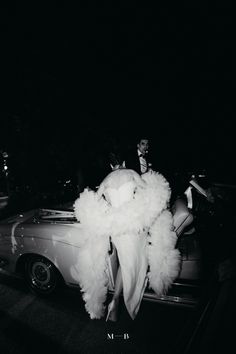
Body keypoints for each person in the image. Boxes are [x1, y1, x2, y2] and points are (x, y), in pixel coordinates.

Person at [73, 164, 180, 321]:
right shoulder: (131, 173)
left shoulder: (105, 180)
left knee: (125, 264)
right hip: (135, 227)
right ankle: (122, 300)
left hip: (118, 230)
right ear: (122, 163)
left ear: (110, 164)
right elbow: (148, 193)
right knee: (136, 263)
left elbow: (94, 203)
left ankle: (116, 302)